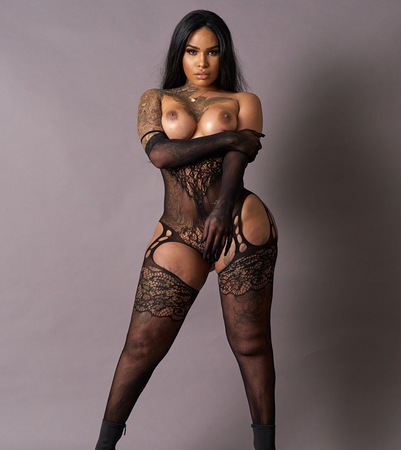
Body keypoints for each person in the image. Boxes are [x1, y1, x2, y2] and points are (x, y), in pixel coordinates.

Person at [94, 10, 278, 450]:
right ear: (180, 53)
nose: (202, 62)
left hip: (239, 223)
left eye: (212, 52)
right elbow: (160, 154)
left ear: (223, 55)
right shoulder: (154, 99)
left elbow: (238, 161)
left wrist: (222, 211)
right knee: (141, 348)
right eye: (193, 51)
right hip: (179, 232)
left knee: (250, 343)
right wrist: (228, 137)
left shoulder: (244, 101)